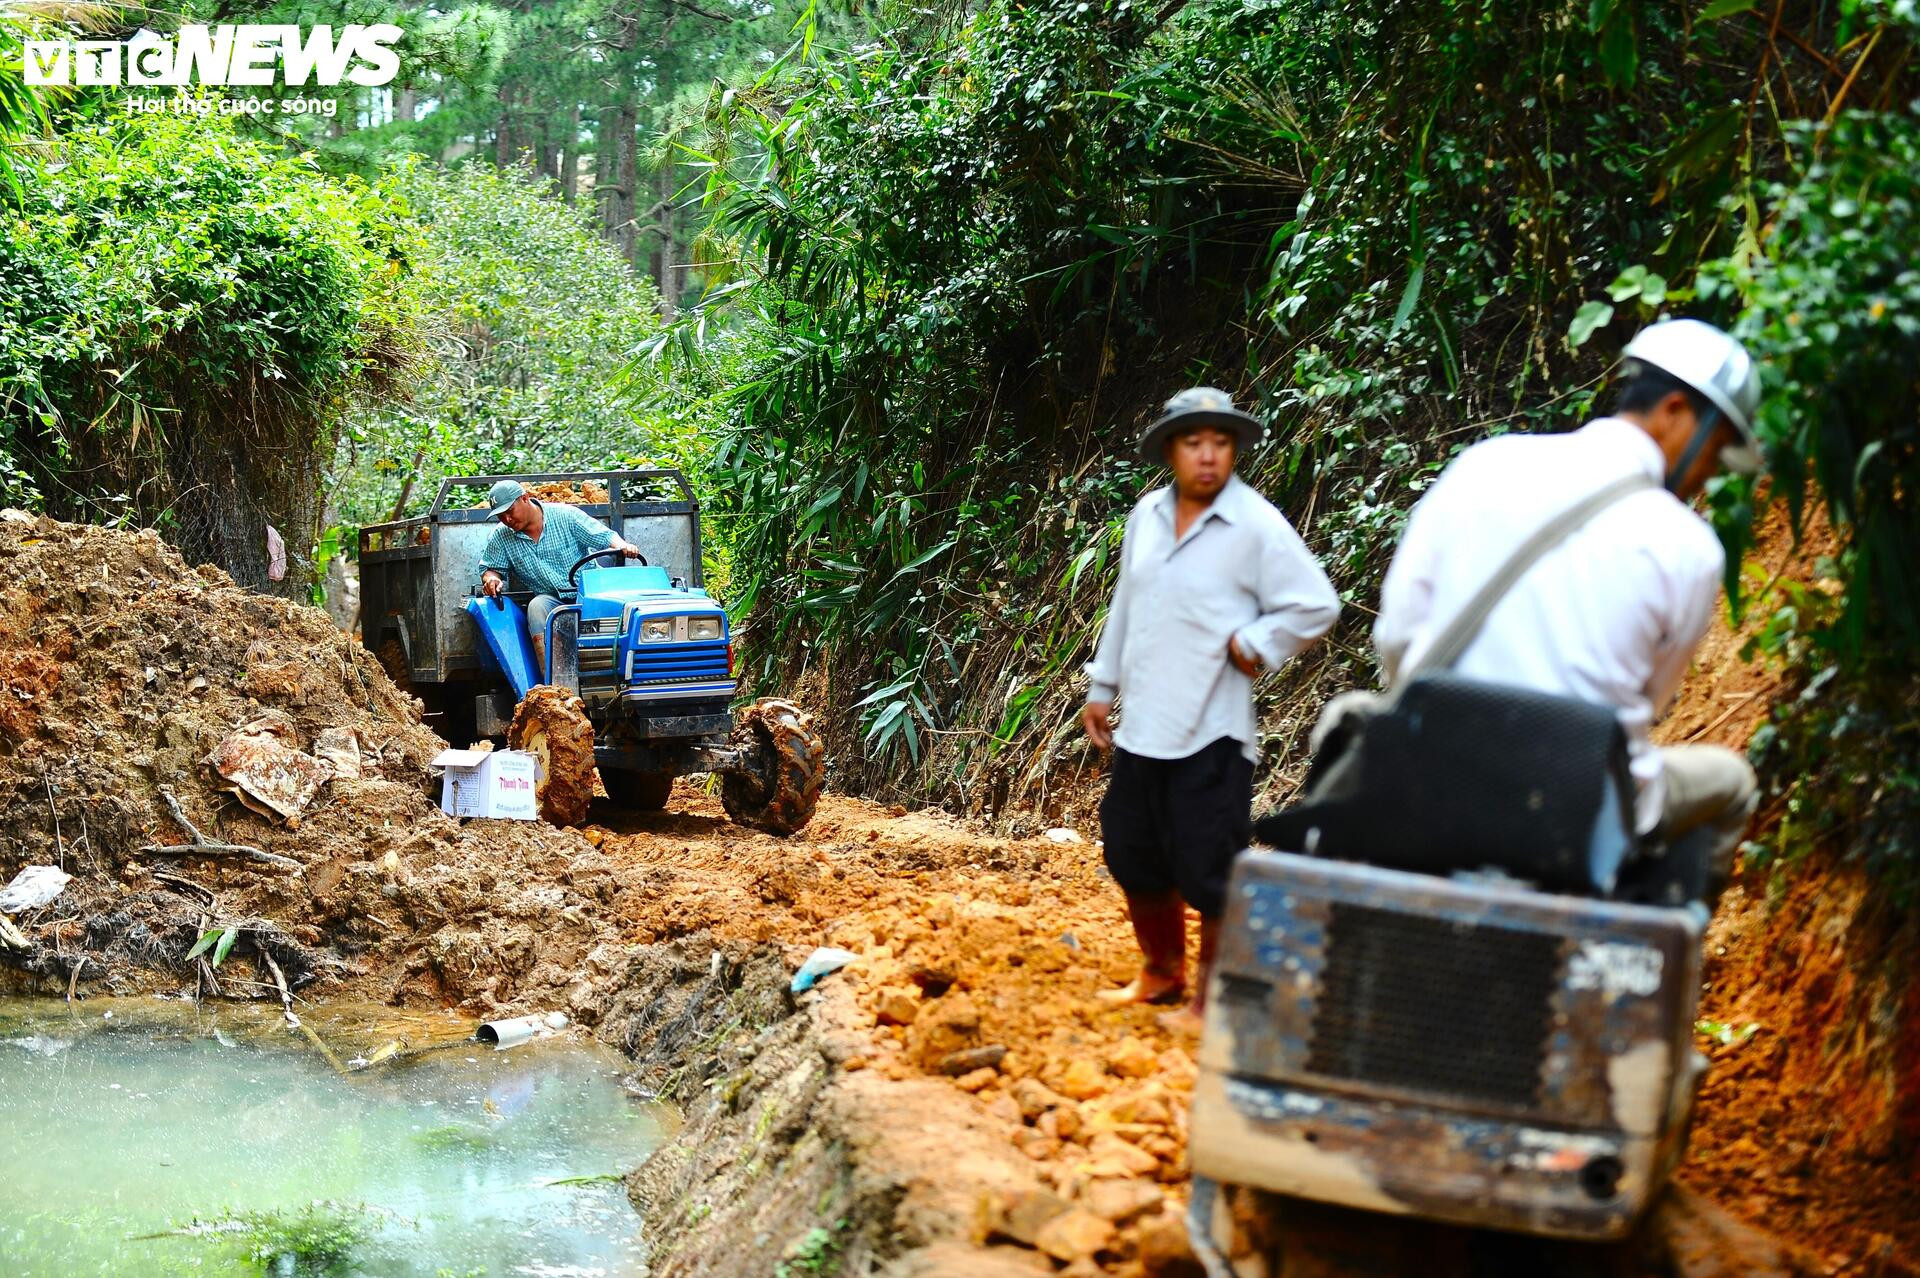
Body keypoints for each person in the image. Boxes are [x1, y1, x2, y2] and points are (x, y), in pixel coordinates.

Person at [1372, 318, 1763, 903]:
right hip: (1576, 798)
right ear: (1675, 411)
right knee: (1733, 786)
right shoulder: (1689, 547)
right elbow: (1651, 700)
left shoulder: (1484, 464)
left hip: (1435, 768)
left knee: (1354, 717)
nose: (1708, 475)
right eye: (1713, 450)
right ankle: (1645, 956)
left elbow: (1398, 638)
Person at [1083, 387, 1341, 1030]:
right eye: (1194, 443)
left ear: (1233, 451)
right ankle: (1161, 970)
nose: (1207, 456)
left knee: (1209, 865)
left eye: (1220, 443)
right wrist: (1101, 686)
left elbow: (1316, 603)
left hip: (1212, 730)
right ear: (1171, 450)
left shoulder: (1253, 523)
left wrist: (1256, 642)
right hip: (1144, 725)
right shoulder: (1146, 515)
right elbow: (1127, 605)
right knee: (1132, 851)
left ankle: (1212, 999)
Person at [477, 479, 642, 675]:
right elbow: (491, 568)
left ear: (525, 498)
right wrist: (492, 579)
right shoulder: (501, 536)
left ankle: (618, 672)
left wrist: (623, 546)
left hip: (587, 594)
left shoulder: (565, 516)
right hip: (551, 599)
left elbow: (605, 537)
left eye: (509, 511)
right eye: (500, 516)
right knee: (536, 606)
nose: (507, 519)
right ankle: (553, 682)